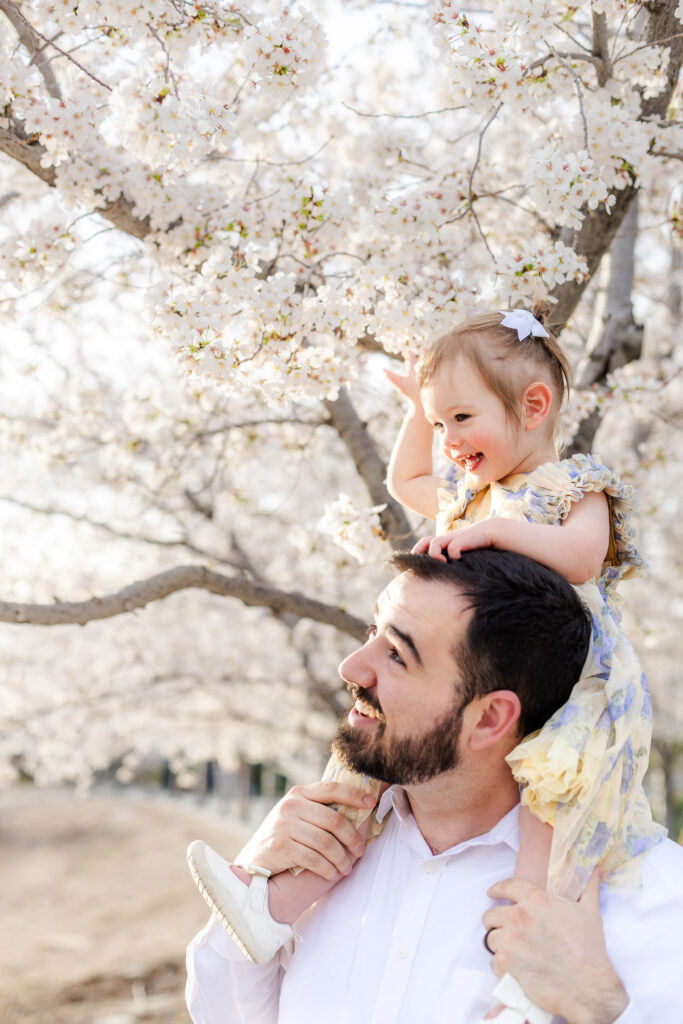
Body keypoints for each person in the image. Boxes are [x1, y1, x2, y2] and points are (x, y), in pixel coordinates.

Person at [186, 550, 683, 1024]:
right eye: (371, 631)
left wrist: (600, 1008)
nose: (351, 667)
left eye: (397, 655)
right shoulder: (320, 851)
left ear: (489, 718)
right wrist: (259, 895)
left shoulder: (648, 900)